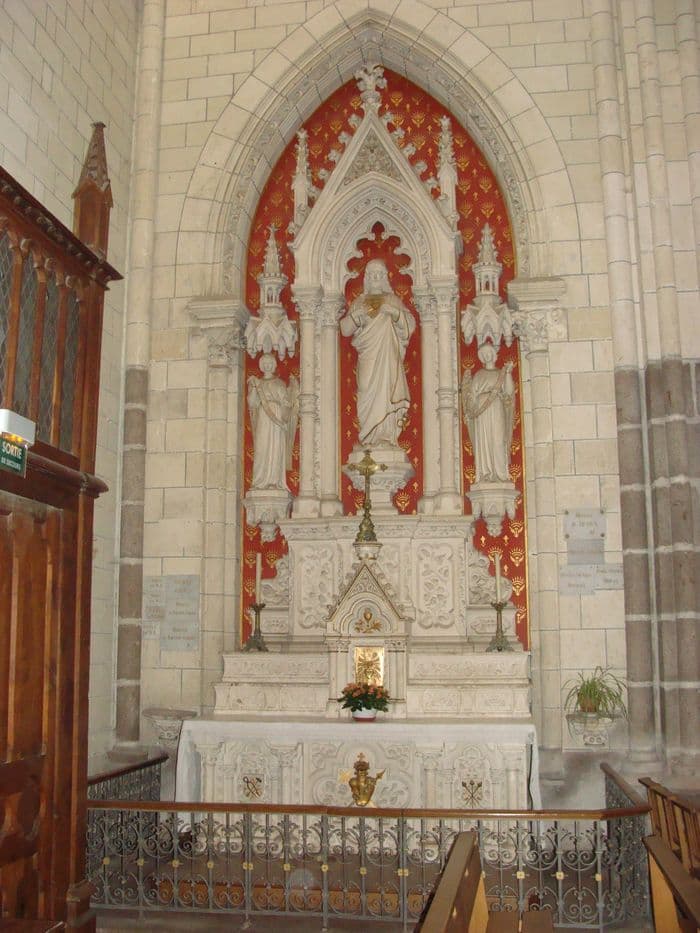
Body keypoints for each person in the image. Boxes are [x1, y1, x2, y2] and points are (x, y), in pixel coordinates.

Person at [340, 259, 416, 447]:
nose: (375, 277)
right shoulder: (359, 302)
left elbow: (410, 325)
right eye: (371, 273)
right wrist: (357, 316)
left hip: (388, 358)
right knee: (365, 387)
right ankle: (369, 437)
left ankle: (385, 436)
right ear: (366, 278)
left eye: (379, 274)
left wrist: (393, 312)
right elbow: (345, 329)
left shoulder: (392, 300)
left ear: (384, 277)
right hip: (368, 356)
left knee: (387, 391)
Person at [461, 343, 515, 483]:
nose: (487, 355)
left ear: (494, 354)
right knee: (484, 442)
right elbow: (472, 396)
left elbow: (509, 392)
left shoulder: (500, 373)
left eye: (489, 352)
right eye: (484, 354)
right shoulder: (478, 375)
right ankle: (486, 474)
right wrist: (470, 410)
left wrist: (508, 373)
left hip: (497, 407)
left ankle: (501, 475)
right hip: (481, 412)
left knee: (498, 440)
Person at [248, 353, 299, 490]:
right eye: (264, 363)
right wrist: (254, 388)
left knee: (275, 448)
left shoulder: (279, 383)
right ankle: (259, 481)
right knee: (262, 447)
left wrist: (286, 407)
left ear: (274, 365)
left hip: (276, 417)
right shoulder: (257, 383)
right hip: (263, 417)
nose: (267, 365)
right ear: (261, 365)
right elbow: (252, 403)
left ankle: (274, 481)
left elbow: (286, 403)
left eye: (270, 363)